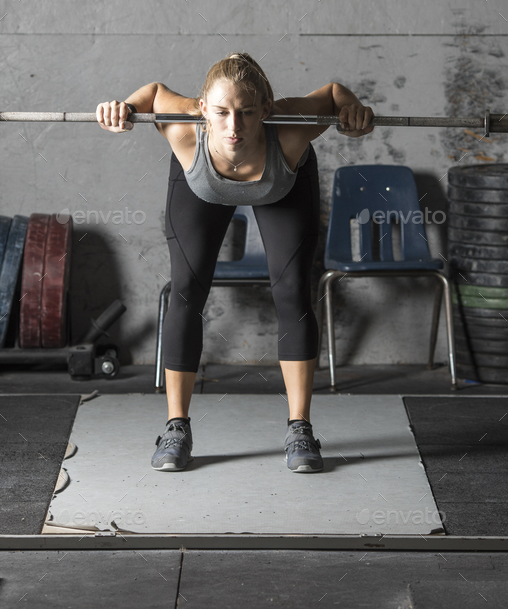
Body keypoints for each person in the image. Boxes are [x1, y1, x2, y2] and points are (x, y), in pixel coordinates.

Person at [96, 53, 374, 473]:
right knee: (186, 290)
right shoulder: (183, 128)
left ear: (266, 109)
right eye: (222, 112)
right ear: (202, 108)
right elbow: (151, 93)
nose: (234, 127)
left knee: (293, 292)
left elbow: (335, 94)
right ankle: (176, 426)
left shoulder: (292, 128)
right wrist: (125, 107)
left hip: (281, 182)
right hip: (199, 181)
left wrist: (352, 107)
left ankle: (300, 428)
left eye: (246, 113)